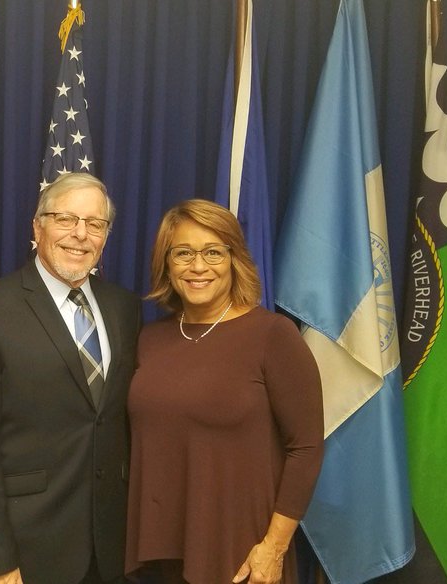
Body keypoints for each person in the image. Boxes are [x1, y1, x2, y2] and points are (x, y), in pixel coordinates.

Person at [0, 173, 142, 584]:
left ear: (106, 235)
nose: (80, 234)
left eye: (95, 223)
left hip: (112, 549)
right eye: (65, 218)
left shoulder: (124, 308)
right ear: (37, 226)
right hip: (24, 551)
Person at [125, 199, 324, 584]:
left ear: (235, 259)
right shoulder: (150, 339)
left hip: (242, 555)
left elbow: (307, 447)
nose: (198, 267)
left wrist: (274, 547)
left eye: (213, 252)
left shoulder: (273, 336)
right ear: (166, 263)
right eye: (183, 253)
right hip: (159, 554)